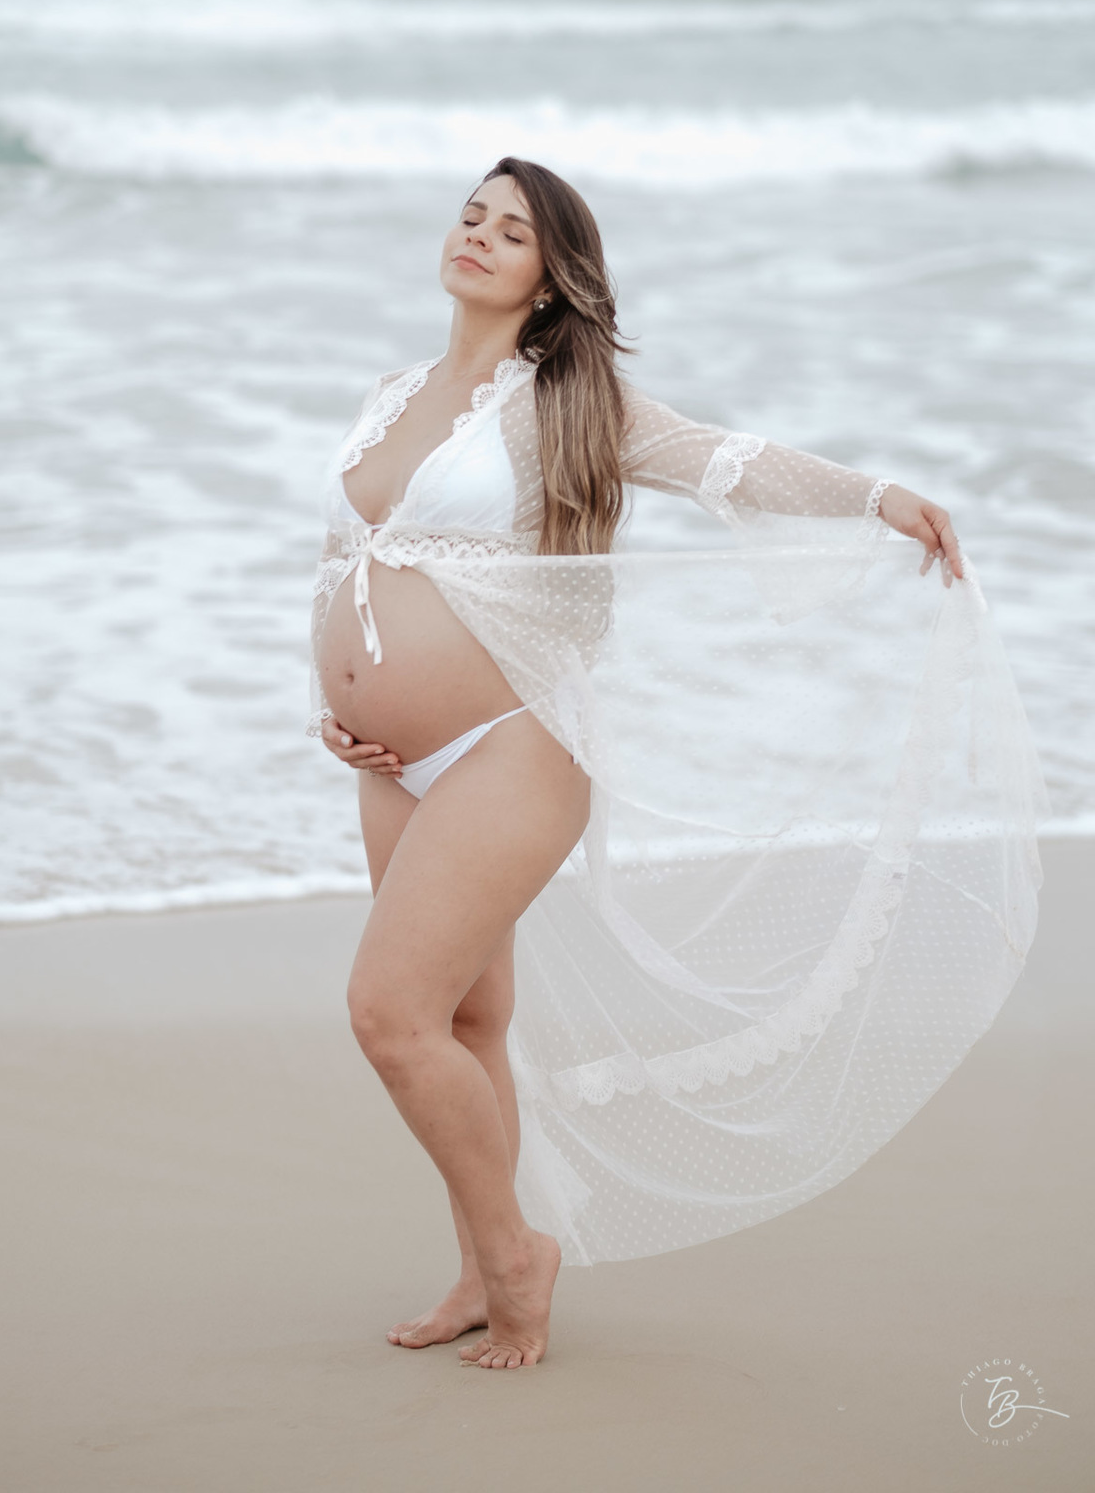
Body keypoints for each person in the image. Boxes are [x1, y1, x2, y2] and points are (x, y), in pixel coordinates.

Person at [306, 157, 1043, 1370]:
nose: (480, 239)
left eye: (514, 232)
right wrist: (328, 715)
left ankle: (515, 1256)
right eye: (471, 217)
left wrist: (883, 499)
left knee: (389, 1016)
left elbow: (727, 463)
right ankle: (477, 1267)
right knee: (467, 1019)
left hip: (510, 745)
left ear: (553, 280)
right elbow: (340, 567)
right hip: (391, 761)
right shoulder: (390, 395)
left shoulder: (566, 403)